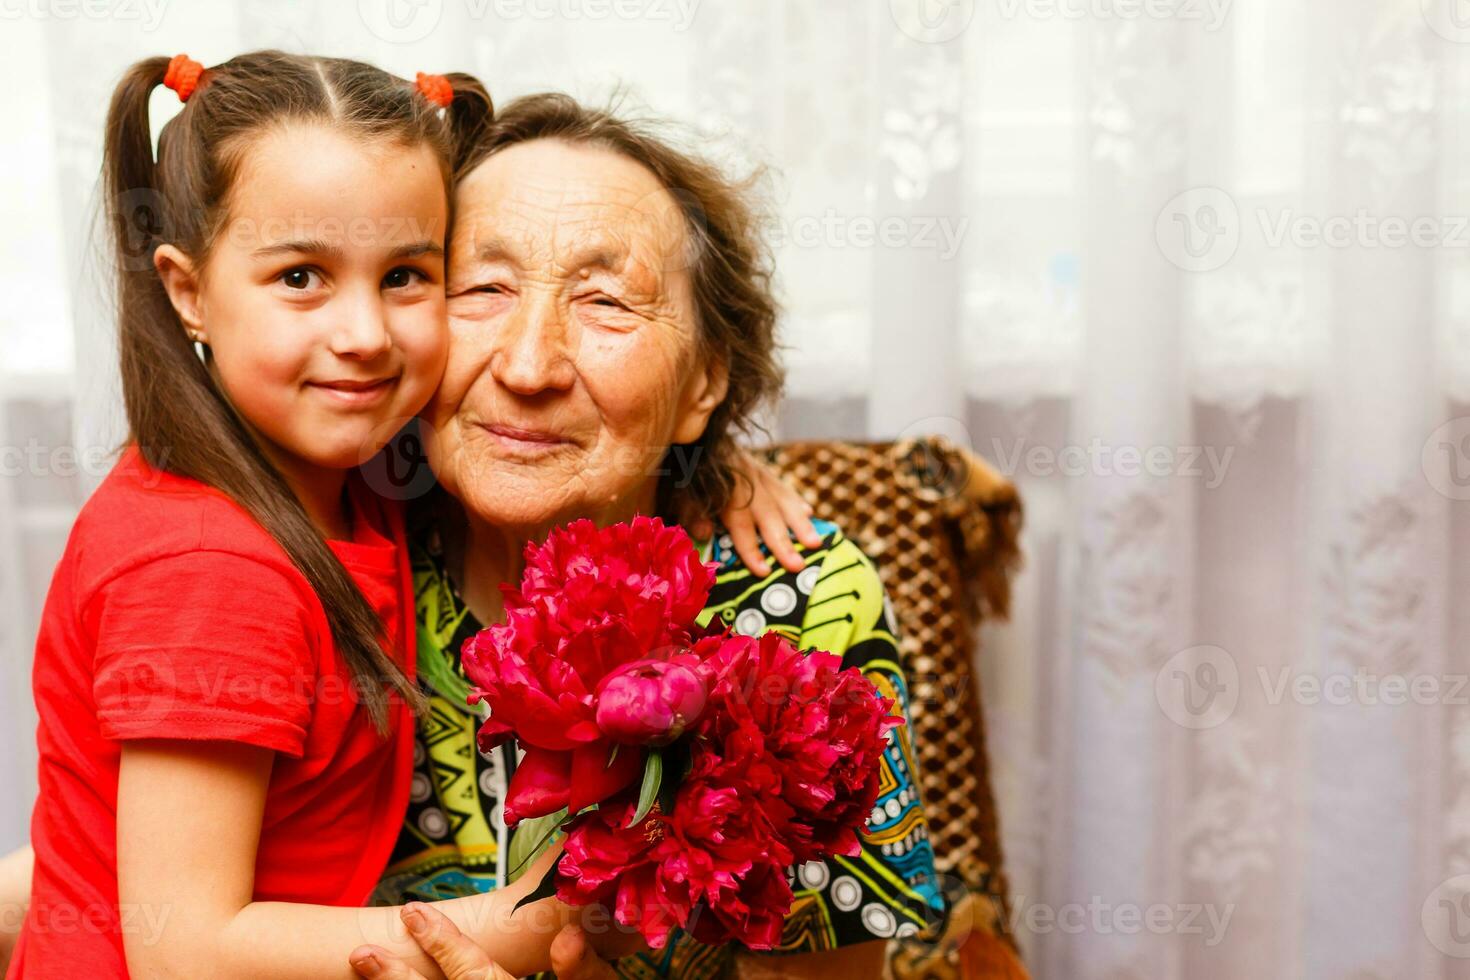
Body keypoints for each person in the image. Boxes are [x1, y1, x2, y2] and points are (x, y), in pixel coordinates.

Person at [3, 52, 803, 980]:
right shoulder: (210, 573)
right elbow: (185, 952)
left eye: (409, 276)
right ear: (187, 291)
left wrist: (715, 461)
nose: (365, 335)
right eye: (301, 276)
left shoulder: (350, 466)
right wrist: (534, 916)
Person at [351, 94, 947, 980]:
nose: (527, 367)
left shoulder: (793, 606)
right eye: (482, 288)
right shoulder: (332, 550)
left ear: (706, 385)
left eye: (607, 303)